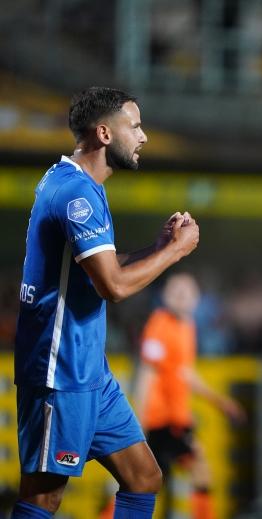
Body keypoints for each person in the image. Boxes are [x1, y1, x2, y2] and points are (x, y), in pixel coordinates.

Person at [13, 87, 200, 519]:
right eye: (134, 126)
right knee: (43, 497)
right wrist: (175, 252)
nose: (144, 136)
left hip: (90, 372)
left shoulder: (76, 183)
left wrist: (156, 247)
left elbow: (99, 264)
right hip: (58, 370)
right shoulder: (76, 197)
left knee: (144, 477)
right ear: (104, 133)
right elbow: (111, 286)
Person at [132, 272, 245, 519]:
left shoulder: (187, 325)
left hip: (176, 418)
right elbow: (146, 376)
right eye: (176, 291)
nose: (182, 296)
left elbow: (185, 373)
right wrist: (138, 428)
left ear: (197, 298)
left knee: (150, 484)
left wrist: (221, 403)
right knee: (194, 474)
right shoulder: (159, 324)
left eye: (187, 291)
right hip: (161, 420)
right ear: (165, 296)